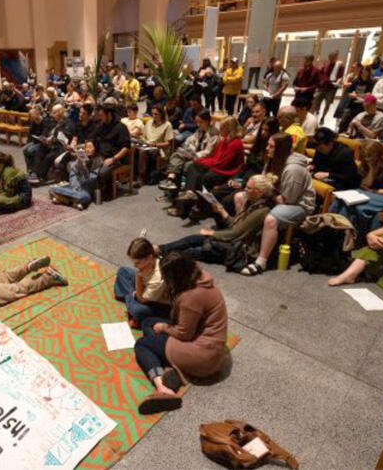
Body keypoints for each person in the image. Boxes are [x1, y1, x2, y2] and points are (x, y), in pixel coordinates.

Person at [135, 251, 228, 414]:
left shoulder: (191, 296)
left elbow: (184, 333)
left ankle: (162, 387)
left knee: (142, 345)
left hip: (203, 355)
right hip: (210, 347)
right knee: (148, 323)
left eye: (167, 278)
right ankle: (172, 369)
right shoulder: (199, 278)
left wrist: (164, 328)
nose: (165, 281)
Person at [157, 174, 275, 265]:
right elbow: (235, 224)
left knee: (191, 251)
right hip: (232, 240)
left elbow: (235, 233)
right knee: (192, 239)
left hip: (239, 249)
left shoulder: (260, 211)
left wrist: (212, 233)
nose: (244, 190)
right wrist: (221, 210)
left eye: (248, 188)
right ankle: (160, 249)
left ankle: (160, 253)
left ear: (258, 192)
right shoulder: (251, 202)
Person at [240, 133, 315, 276]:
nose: (267, 148)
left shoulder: (293, 169)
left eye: (271, 146)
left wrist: (267, 192)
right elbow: (265, 180)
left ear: (281, 149)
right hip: (277, 195)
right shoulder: (273, 159)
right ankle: (242, 239)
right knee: (241, 196)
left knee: (271, 219)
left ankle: (261, 261)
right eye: (268, 145)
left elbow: (287, 200)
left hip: (299, 205)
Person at [329, 141, 383, 239]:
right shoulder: (370, 164)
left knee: (357, 207)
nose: (368, 160)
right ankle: (333, 231)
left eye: (371, 158)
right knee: (339, 200)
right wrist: (372, 169)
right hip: (373, 194)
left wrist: (373, 191)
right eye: (366, 158)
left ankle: (348, 237)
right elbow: (366, 185)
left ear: (381, 155)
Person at [114, 237, 171, 328]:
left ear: (149, 258)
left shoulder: (158, 278)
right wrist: (135, 291)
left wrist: (138, 277)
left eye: (138, 263)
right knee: (123, 271)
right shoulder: (150, 263)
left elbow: (142, 299)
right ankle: (130, 299)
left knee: (137, 310)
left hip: (159, 304)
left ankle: (131, 305)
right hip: (143, 289)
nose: (135, 266)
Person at [159, 109, 219, 191]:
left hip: (204, 158)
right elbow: (190, 140)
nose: (198, 124)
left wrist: (194, 154)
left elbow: (208, 152)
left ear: (207, 121)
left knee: (187, 165)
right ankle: (171, 180)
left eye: (200, 122)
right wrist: (189, 150)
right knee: (176, 155)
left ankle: (183, 190)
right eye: (197, 122)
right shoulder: (200, 130)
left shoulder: (213, 134)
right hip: (193, 154)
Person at [49, 140, 102, 209]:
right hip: (75, 187)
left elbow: (91, 179)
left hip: (86, 189)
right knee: (57, 187)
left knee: (85, 197)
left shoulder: (97, 161)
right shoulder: (82, 157)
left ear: (95, 149)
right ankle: (74, 201)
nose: (88, 150)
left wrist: (84, 169)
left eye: (90, 147)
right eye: (86, 148)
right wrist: (79, 162)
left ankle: (62, 198)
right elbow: (73, 172)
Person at [135, 106, 174, 184]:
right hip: (147, 145)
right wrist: (140, 139)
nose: (154, 116)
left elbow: (168, 143)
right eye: (152, 114)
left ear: (162, 114)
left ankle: (142, 176)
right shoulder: (149, 122)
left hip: (159, 148)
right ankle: (136, 175)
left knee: (147, 153)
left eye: (156, 114)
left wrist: (155, 144)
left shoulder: (167, 125)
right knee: (134, 150)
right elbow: (143, 136)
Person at [313, 51, 345, 124]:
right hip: (323, 86)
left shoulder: (340, 66)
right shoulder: (326, 64)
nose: (331, 59)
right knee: (317, 101)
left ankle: (323, 117)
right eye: (330, 58)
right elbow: (321, 74)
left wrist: (338, 81)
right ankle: (316, 113)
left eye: (333, 58)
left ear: (336, 58)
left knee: (328, 103)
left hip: (332, 87)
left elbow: (340, 76)